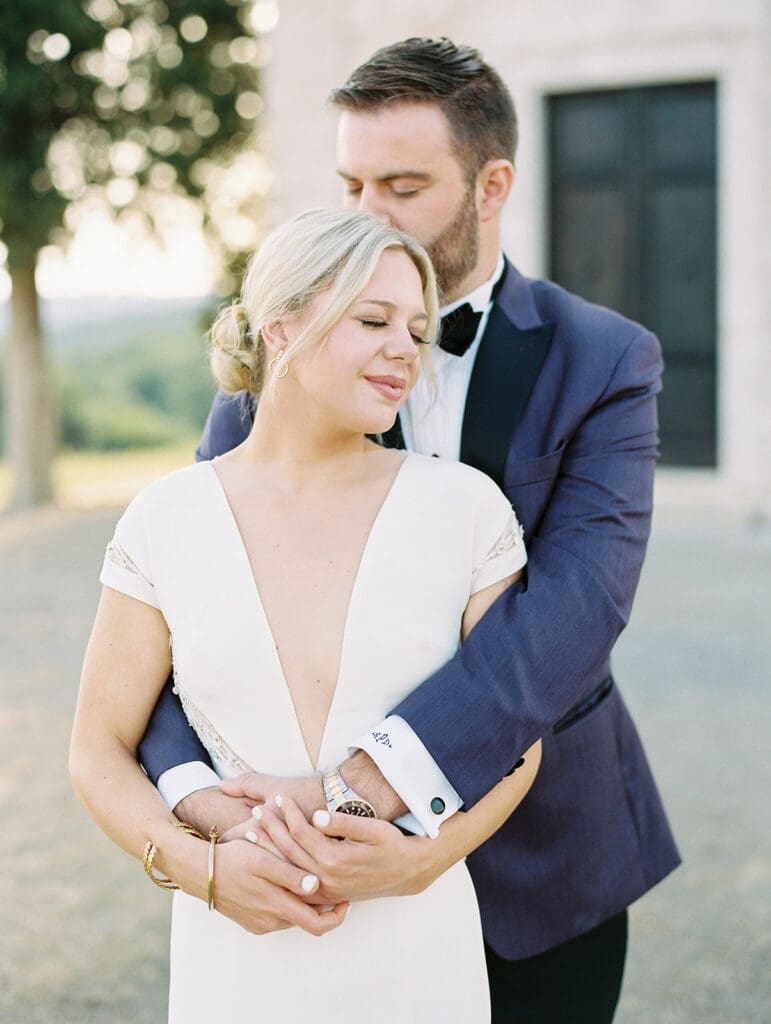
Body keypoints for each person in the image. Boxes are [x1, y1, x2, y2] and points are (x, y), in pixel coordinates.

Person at [139, 38, 680, 1023]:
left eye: (401, 186)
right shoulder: (282, 360)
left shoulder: (604, 359)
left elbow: (575, 609)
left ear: (491, 184)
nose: (365, 216)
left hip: (544, 860)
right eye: (351, 183)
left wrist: (369, 786)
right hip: (308, 877)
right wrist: (202, 799)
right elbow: (186, 607)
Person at [70, 208, 542, 1022]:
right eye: (373, 319)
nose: (406, 346)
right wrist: (200, 870)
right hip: (235, 958)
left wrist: (423, 864)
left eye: (416, 327)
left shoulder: (464, 508)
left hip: (417, 954)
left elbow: (514, 742)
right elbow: (97, 748)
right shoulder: (165, 518)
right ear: (281, 327)